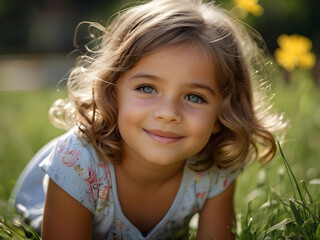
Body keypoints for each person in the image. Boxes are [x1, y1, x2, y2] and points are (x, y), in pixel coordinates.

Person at [11, 0, 285, 239]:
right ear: (112, 92)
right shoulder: (78, 162)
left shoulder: (214, 166)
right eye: (147, 88)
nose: (167, 113)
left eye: (194, 97)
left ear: (221, 115)